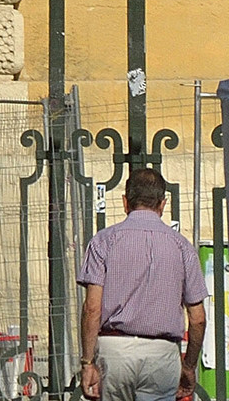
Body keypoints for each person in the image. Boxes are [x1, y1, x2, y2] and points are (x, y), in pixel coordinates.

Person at [78, 166, 206, 401]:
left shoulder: (103, 242)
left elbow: (92, 308)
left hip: (114, 350)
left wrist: (87, 362)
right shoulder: (182, 247)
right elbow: (197, 318)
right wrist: (188, 366)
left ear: (126, 202)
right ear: (163, 203)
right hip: (162, 353)